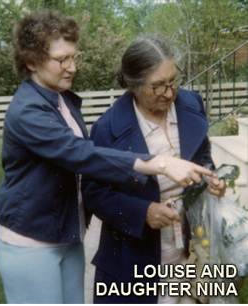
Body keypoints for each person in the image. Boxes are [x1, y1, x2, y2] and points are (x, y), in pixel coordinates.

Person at [0, 10, 216, 304]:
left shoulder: (60, 100)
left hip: (66, 235)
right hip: (32, 241)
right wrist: (159, 164)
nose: (72, 67)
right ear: (31, 61)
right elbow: (81, 155)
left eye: (74, 57)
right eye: (62, 59)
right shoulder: (27, 111)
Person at [82, 36, 226, 304]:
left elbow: (202, 156)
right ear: (134, 84)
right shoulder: (107, 128)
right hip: (135, 260)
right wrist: (143, 213)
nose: (170, 93)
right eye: (158, 86)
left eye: (173, 80)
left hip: (191, 251)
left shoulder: (191, 104)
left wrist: (212, 178)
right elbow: (94, 193)